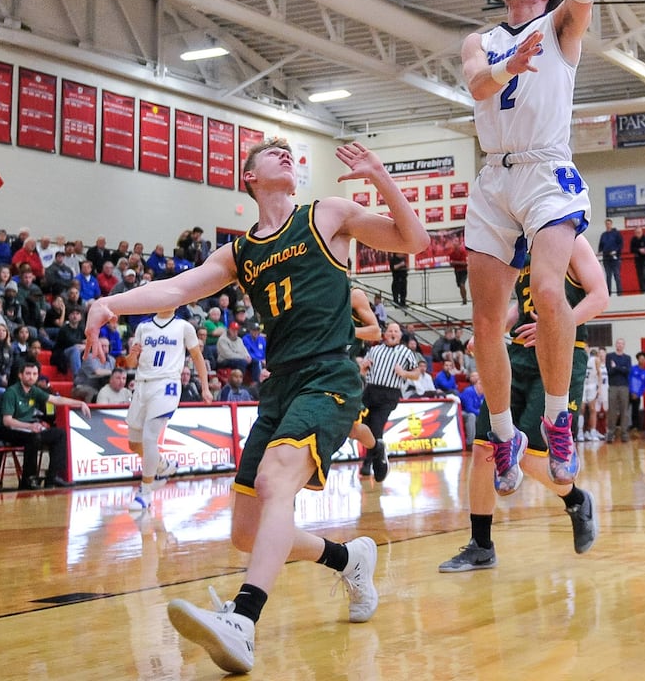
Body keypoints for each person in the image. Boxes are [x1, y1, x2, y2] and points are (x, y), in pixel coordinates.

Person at [84, 139, 428, 674]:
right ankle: (349, 559)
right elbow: (176, 289)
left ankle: (243, 620)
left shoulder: (327, 215)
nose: (286, 154)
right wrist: (109, 303)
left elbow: (416, 239)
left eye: (290, 151)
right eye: (273, 153)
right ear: (250, 177)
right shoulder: (240, 251)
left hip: (329, 374)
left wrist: (380, 174)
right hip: (280, 385)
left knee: (275, 482)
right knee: (246, 531)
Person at [459, 0, 626, 494]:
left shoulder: (561, 27)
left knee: (552, 290)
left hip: (546, 167)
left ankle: (558, 419)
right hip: (492, 178)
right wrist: (507, 68)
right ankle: (505, 435)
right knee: (484, 322)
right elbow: (476, 84)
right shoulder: (480, 39)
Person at [439, 234, 608, 572]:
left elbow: (599, 296)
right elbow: (522, 304)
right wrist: (491, 330)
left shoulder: (571, 238)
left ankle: (577, 500)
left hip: (561, 353)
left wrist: (556, 326)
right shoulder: (522, 243)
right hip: (516, 355)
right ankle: (481, 545)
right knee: (486, 448)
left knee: (531, 456)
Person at [124, 307, 210, 509]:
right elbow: (129, 363)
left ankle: (145, 493)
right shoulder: (143, 327)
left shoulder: (184, 327)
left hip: (167, 384)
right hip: (142, 384)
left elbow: (197, 357)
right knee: (134, 444)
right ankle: (163, 465)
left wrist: (205, 387)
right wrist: (132, 356)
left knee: (149, 437)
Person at [0, 359, 90, 488]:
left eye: (34, 374)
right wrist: (30, 426)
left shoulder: (34, 390)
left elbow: (56, 399)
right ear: (20, 375)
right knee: (33, 437)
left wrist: (80, 403)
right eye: (28, 373)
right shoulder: (11, 392)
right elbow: (7, 421)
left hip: (26, 428)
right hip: (5, 430)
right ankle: (28, 479)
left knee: (59, 434)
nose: (31, 377)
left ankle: (53, 477)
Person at [359, 320, 421, 480]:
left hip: (389, 394)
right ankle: (377, 453)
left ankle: (370, 463)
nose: (393, 333)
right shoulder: (374, 350)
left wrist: (404, 373)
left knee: (376, 428)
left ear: (400, 336)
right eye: (390, 331)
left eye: (396, 331)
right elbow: (363, 372)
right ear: (385, 334)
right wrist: (363, 367)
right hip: (370, 391)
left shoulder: (406, 352)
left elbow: (417, 374)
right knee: (362, 425)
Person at [604, 338, 632, 442]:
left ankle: (624, 434)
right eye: (618, 343)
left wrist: (616, 367)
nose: (619, 345)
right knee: (612, 411)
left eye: (621, 343)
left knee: (624, 411)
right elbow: (609, 371)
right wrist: (621, 368)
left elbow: (627, 371)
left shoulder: (627, 358)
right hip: (613, 386)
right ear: (616, 345)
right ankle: (611, 434)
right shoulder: (610, 356)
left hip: (624, 387)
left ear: (624, 345)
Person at [597, 217, 623, 295]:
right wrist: (600, 252)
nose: (608, 225)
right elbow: (601, 246)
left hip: (615, 258)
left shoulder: (616, 234)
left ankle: (619, 292)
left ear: (611, 224)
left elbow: (620, 244)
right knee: (608, 276)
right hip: (606, 258)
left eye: (609, 224)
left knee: (617, 275)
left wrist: (616, 251)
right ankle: (609, 293)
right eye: (606, 224)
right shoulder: (603, 235)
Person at [629, 350, 645, 433]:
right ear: (638, 359)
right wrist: (631, 392)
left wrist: (639, 394)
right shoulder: (632, 369)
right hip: (629, 393)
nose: (642, 360)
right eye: (640, 358)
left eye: (643, 359)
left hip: (637, 395)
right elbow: (629, 380)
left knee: (635, 411)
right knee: (626, 411)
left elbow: (644, 385)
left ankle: (635, 428)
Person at [630, 226, 645, 294]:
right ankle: (642, 291)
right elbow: (631, 249)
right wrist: (639, 250)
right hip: (638, 259)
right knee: (639, 275)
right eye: (637, 232)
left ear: (642, 232)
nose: (638, 234)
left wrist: (644, 250)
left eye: (639, 232)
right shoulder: (633, 239)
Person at [448, 237, 468, 305]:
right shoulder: (452, 253)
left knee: (462, 284)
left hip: (463, 271)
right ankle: (463, 298)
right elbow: (451, 263)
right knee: (460, 286)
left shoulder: (462, 252)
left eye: (456, 242)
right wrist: (457, 263)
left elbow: (465, 263)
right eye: (453, 242)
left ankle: (464, 299)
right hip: (457, 271)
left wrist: (456, 262)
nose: (454, 243)